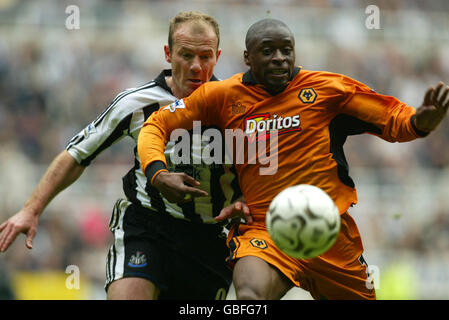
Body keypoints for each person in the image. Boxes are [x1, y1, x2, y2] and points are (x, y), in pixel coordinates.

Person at [137, 18, 449, 300]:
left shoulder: (328, 90)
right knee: (249, 295)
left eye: (286, 50)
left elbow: (393, 120)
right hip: (265, 230)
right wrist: (157, 171)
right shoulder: (222, 96)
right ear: (248, 57)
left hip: (329, 232)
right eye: (268, 51)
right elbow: (157, 124)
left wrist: (421, 122)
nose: (279, 58)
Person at [0, 11, 242, 300]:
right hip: (147, 226)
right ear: (168, 54)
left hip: (208, 239)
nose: (195, 66)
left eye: (205, 56)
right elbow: (78, 153)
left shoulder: (238, 110)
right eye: (185, 55)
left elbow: (258, 174)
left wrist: (242, 201)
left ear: (218, 56)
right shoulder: (136, 103)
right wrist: (32, 209)